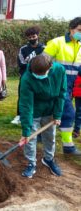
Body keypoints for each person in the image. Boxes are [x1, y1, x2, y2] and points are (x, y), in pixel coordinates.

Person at [19, 54, 66, 178]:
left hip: (50, 110)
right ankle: (31, 163)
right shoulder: (27, 79)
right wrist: (26, 130)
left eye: (42, 74)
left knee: (50, 137)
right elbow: (26, 105)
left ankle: (48, 159)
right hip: (34, 110)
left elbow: (62, 93)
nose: (39, 77)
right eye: (37, 75)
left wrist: (57, 114)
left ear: (50, 67)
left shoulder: (60, 70)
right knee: (30, 138)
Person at [44, 17, 81, 156]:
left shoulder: (80, 46)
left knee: (49, 112)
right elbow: (42, 63)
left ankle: (40, 137)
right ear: (71, 29)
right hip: (55, 85)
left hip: (69, 87)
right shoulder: (57, 43)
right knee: (69, 113)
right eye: (79, 30)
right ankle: (68, 146)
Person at [11, 26, 45, 125]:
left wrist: (36, 68)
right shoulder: (23, 49)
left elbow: (45, 63)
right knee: (22, 96)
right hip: (25, 76)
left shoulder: (44, 49)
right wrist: (33, 66)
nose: (32, 39)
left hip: (39, 77)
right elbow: (21, 63)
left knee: (38, 96)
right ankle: (19, 116)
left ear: (37, 36)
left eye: (33, 36)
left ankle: (36, 116)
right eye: (29, 37)